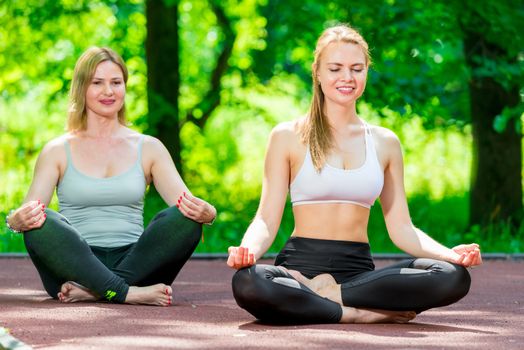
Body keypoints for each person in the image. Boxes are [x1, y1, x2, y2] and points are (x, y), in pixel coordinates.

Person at [227, 24, 482, 324]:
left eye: (356, 69)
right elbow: (266, 220)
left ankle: (329, 299)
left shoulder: (385, 143)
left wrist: (450, 255)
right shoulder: (287, 136)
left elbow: (402, 228)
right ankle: (355, 314)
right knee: (248, 282)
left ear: (366, 72)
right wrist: (248, 250)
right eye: (335, 68)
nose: (347, 78)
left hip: (358, 276)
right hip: (299, 269)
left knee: (453, 277)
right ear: (318, 73)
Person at [4, 47, 216, 306]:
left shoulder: (148, 147)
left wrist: (209, 213)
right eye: (97, 83)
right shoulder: (58, 150)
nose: (108, 91)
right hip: (76, 264)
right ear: (82, 88)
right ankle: (126, 292)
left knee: (185, 220)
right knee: (41, 222)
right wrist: (15, 219)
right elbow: (30, 212)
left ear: (125, 87)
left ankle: (97, 290)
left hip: (136, 262)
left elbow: (187, 206)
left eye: (116, 82)